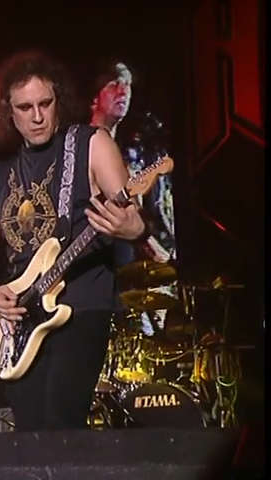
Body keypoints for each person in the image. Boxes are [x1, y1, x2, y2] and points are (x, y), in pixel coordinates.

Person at [0, 50, 148, 431]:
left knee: (61, 424)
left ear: (58, 101)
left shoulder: (91, 144)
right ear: (8, 112)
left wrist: (132, 228)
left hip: (82, 306)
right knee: (31, 434)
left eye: (45, 104)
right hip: (21, 320)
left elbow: (132, 217)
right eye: (25, 107)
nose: (37, 116)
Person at [87, 58, 177, 338]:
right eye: (114, 83)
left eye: (127, 85)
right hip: (91, 274)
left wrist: (152, 246)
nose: (123, 91)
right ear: (93, 97)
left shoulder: (129, 155)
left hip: (122, 272)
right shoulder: (81, 145)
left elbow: (132, 213)